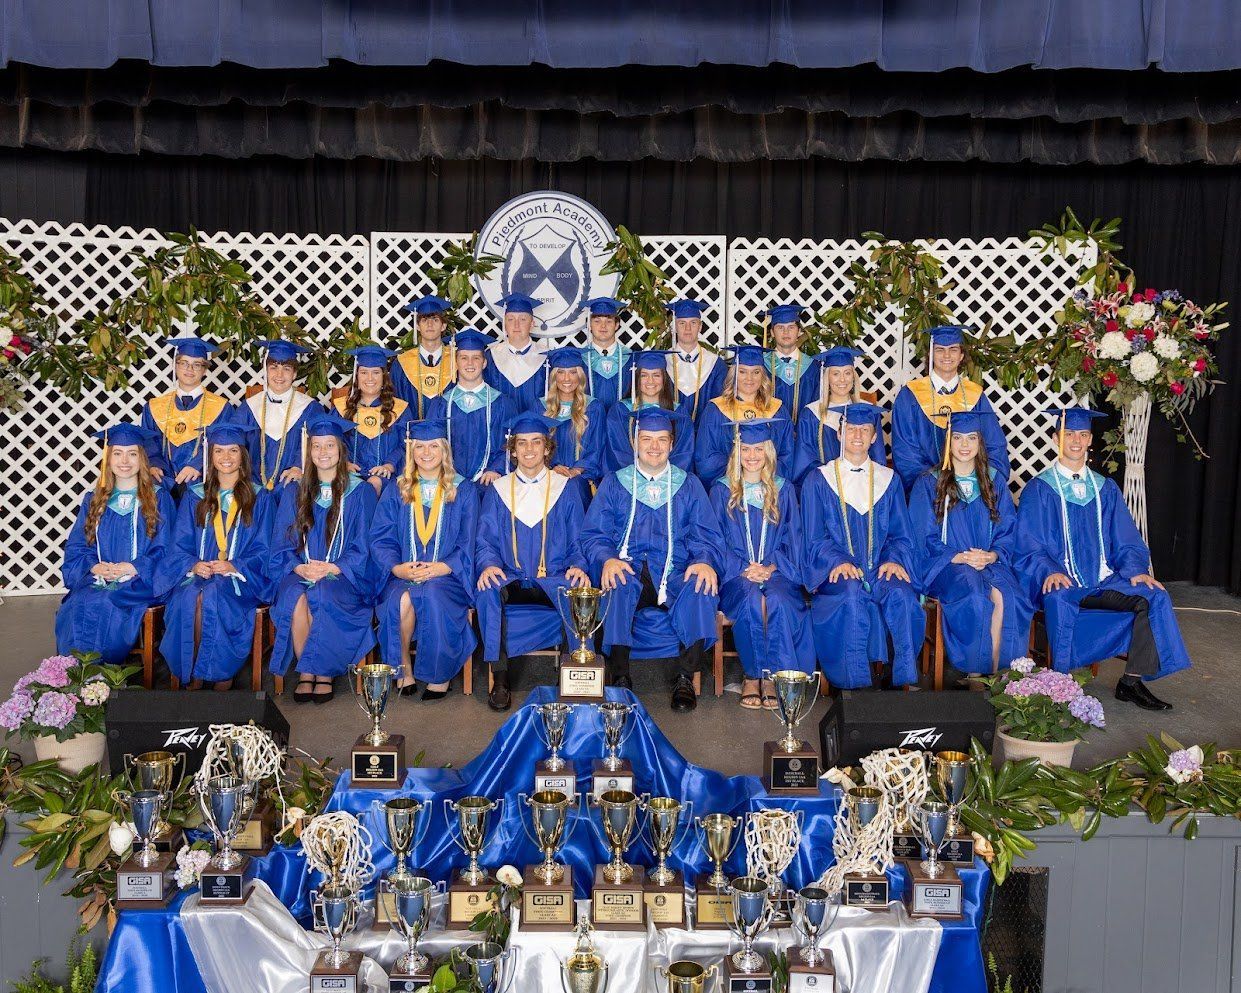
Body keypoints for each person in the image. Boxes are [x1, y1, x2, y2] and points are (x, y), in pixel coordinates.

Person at [1015, 408, 1191, 710]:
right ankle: (1061, 684)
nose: (1076, 440)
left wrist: (1136, 569)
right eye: (1069, 434)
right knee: (1057, 598)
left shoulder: (1104, 488)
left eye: (1082, 435)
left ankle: (1131, 682)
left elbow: (1125, 536)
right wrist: (1048, 570)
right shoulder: (1039, 489)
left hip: (1104, 578)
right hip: (1064, 579)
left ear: (1090, 440)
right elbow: (1029, 544)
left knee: (1154, 596)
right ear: (1056, 439)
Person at [580, 408, 723, 712]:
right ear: (635, 442)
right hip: (628, 568)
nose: (654, 446)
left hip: (675, 571)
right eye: (647, 439)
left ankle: (685, 677)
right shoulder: (615, 483)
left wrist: (704, 560)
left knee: (701, 586)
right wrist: (606, 559)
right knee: (615, 584)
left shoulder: (689, 485)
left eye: (661, 440)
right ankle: (619, 677)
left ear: (672, 444)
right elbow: (594, 534)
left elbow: (706, 535)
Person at [474, 412, 591, 712]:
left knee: (577, 590)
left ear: (547, 448)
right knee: (487, 589)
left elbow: (580, 539)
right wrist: (488, 564)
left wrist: (578, 564)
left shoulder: (565, 489)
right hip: (511, 576)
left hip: (552, 577)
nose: (528, 450)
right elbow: (485, 539)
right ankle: (500, 680)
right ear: (512, 450)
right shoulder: (498, 490)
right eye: (522, 443)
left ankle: (572, 678)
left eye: (536, 443)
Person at [801, 403, 922, 689]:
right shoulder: (818, 480)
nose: (857, 435)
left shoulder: (889, 480)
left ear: (874, 438)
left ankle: (900, 681)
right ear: (840, 434)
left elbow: (901, 535)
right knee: (851, 594)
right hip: (837, 573)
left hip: (879, 568)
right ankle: (855, 687)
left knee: (902, 595)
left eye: (864, 430)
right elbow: (814, 537)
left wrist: (893, 559)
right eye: (851, 429)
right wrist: (836, 561)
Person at [907, 411, 1032, 679]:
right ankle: (977, 674)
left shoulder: (994, 480)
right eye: (958, 438)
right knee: (975, 594)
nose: (965, 445)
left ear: (980, 443)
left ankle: (1004, 680)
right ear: (948, 441)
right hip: (947, 566)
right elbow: (921, 536)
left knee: (1010, 597)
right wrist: (958, 557)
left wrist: (993, 554)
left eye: (972, 438)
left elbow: (1008, 528)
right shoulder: (928, 483)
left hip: (988, 562)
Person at [268, 411, 378, 703]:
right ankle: (307, 672)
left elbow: (364, 545)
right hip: (302, 570)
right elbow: (282, 541)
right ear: (308, 450)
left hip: (343, 575)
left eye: (330, 445)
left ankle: (324, 672)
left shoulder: (360, 491)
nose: (323, 452)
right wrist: (299, 567)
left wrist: (335, 567)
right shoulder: (295, 490)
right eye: (316, 446)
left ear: (341, 450)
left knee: (326, 592)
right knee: (295, 595)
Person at [156, 423, 274, 690]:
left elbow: (264, 547)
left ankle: (220, 674)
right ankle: (194, 670)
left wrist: (234, 565)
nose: (226, 457)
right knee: (189, 596)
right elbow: (180, 543)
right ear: (210, 456)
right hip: (200, 573)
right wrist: (194, 564)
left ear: (243, 455)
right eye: (219, 451)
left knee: (215, 593)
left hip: (239, 578)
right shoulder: (194, 496)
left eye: (233, 450)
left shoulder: (260, 497)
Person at [709, 419, 814, 710]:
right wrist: (743, 566)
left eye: (759, 449)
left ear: (768, 452)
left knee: (778, 598)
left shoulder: (784, 490)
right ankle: (753, 676)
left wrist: (771, 567)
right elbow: (714, 539)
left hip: (777, 572)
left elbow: (795, 537)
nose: (752, 455)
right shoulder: (721, 491)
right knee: (752, 598)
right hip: (737, 575)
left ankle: (773, 676)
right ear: (736, 452)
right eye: (746, 449)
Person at [372, 419, 479, 702]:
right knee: (401, 600)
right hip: (403, 574)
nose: (427, 452)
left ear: (445, 450)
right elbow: (381, 537)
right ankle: (403, 667)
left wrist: (442, 567)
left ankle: (439, 674)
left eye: (434, 446)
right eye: (420, 446)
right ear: (411, 451)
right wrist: (398, 568)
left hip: (448, 576)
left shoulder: (463, 490)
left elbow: (469, 539)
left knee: (432, 594)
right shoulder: (399, 488)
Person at [55, 423, 175, 664]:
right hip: (100, 576)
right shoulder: (94, 500)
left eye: (132, 454)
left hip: (141, 581)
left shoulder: (159, 498)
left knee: (108, 600)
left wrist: (134, 567)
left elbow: (168, 547)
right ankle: (74, 673)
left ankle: (101, 673)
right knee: (77, 602)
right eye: (117, 453)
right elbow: (78, 545)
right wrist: (94, 567)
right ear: (107, 460)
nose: (125, 461)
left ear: (142, 460)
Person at [891, 326, 1010, 492]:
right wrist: (933, 485)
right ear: (931, 355)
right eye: (940, 350)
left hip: (971, 488)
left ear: (961, 355)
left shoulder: (975, 395)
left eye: (953, 349)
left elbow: (994, 445)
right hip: (927, 491)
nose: (947, 355)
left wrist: (977, 483)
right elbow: (905, 453)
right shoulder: (910, 395)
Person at [140, 336, 233, 491]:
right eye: (184, 363)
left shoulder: (221, 407)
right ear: (175, 366)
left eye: (197, 365)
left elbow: (223, 444)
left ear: (204, 370)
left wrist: (197, 465)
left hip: (202, 477)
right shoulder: (154, 407)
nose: (190, 370)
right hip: (164, 477)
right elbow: (149, 444)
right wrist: (155, 465)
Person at [694, 345, 794, 486]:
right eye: (742, 372)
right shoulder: (715, 410)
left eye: (756, 372)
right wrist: (741, 477)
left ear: (763, 375)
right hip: (729, 489)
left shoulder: (777, 409)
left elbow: (787, 455)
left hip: (769, 488)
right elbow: (706, 457)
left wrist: (764, 478)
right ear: (734, 374)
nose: (749, 378)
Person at [425, 328, 514, 486]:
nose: (470, 363)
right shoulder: (441, 404)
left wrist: (496, 469)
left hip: (489, 482)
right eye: (464, 358)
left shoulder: (501, 403)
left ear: (484, 362)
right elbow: (430, 445)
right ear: (456, 362)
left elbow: (511, 443)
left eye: (476, 358)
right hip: (448, 483)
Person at [235, 339, 322, 493]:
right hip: (253, 482)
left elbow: (318, 443)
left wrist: (298, 467)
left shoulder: (310, 408)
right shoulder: (249, 407)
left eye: (287, 369)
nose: (279, 375)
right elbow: (233, 442)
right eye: (274, 367)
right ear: (266, 370)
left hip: (292, 482)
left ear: (295, 374)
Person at [792, 347, 886, 483]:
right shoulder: (811, 414)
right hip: (824, 486)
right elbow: (805, 463)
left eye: (847, 373)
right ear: (827, 378)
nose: (842, 380)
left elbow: (878, 458)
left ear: (853, 376)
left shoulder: (868, 411)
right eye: (836, 374)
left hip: (862, 485)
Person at [333, 345, 414, 496]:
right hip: (350, 474)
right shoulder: (341, 408)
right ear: (356, 377)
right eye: (364, 372)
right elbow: (333, 441)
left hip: (387, 477)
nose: (370, 378)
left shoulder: (400, 410)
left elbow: (406, 446)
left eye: (376, 372)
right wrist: (343, 463)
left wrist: (389, 465)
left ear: (384, 377)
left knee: (373, 485)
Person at [605, 350, 694, 472]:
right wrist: (640, 475)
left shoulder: (679, 412)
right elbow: (617, 449)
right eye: (644, 375)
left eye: (656, 375)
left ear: (664, 378)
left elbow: (684, 452)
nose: (650, 381)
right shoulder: (620, 410)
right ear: (637, 378)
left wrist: (662, 475)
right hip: (630, 479)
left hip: (668, 481)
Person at [539, 346, 608, 498]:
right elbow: (537, 444)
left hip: (581, 479)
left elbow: (597, 446)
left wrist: (577, 470)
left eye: (573, 372)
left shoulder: (593, 407)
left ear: (580, 376)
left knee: (573, 489)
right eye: (561, 372)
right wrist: (554, 466)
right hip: (548, 475)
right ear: (554, 377)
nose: (567, 379)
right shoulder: (540, 407)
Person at [391, 295, 456, 418]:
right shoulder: (401, 364)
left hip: (451, 434)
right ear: (418, 326)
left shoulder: (456, 360)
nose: (430, 324)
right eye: (425, 320)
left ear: (443, 326)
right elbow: (396, 404)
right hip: (411, 434)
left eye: (435, 319)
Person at [485, 292, 550, 412]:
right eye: (510, 319)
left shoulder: (546, 357)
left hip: (535, 428)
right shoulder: (490, 357)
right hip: (500, 426)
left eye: (523, 319)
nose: (516, 325)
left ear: (532, 324)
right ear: (504, 324)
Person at [665, 298, 726, 421]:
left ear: (700, 326)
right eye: (682, 323)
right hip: (669, 433)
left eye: (693, 323)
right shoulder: (663, 362)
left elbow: (720, 407)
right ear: (675, 327)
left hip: (705, 433)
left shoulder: (715, 364)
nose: (688, 329)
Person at [764, 304, 820, 426]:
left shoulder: (813, 367)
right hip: (769, 436)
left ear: (799, 331)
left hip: (803, 435)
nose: (786, 332)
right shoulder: (761, 365)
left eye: (791, 327)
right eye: (780, 328)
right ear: (772, 332)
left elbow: (817, 406)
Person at [579, 296, 634, 408]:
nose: (603, 326)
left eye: (609, 321)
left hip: (621, 421)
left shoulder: (631, 358)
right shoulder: (580, 359)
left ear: (617, 325)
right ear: (589, 325)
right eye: (597, 321)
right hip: (589, 421)